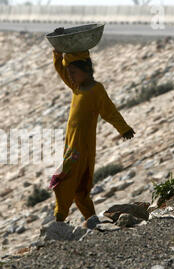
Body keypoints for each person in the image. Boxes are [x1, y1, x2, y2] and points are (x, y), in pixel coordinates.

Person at [49, 42, 135, 227]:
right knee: (80, 186)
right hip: (72, 147)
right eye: (70, 73)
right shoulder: (77, 88)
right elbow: (62, 72)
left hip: (81, 149)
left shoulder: (96, 90)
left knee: (65, 183)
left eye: (74, 72)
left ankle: (59, 218)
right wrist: (57, 54)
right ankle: (91, 218)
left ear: (86, 70)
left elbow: (109, 111)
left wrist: (124, 128)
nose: (70, 76)